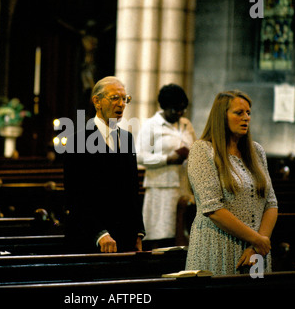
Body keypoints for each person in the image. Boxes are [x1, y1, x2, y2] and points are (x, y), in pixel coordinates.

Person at [185, 90, 278, 275]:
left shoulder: (256, 151)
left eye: (248, 113)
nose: (246, 118)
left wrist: (258, 244)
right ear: (221, 116)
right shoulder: (202, 150)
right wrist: (257, 239)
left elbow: (271, 203)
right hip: (218, 247)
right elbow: (213, 209)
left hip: (256, 252)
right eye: (239, 113)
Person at [63, 76, 145, 253]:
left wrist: (138, 232)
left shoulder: (127, 138)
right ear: (97, 102)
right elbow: (75, 197)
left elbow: (133, 190)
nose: (121, 104)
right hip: (91, 239)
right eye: (115, 98)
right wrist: (100, 234)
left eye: (125, 99)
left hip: (125, 237)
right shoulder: (77, 141)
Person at [136, 84, 196, 249]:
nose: (179, 113)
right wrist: (167, 159)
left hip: (183, 186)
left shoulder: (186, 124)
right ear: (164, 107)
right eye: (175, 109)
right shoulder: (151, 125)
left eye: (182, 109)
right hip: (160, 189)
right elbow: (139, 156)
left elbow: (196, 147)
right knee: (162, 236)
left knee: (183, 236)